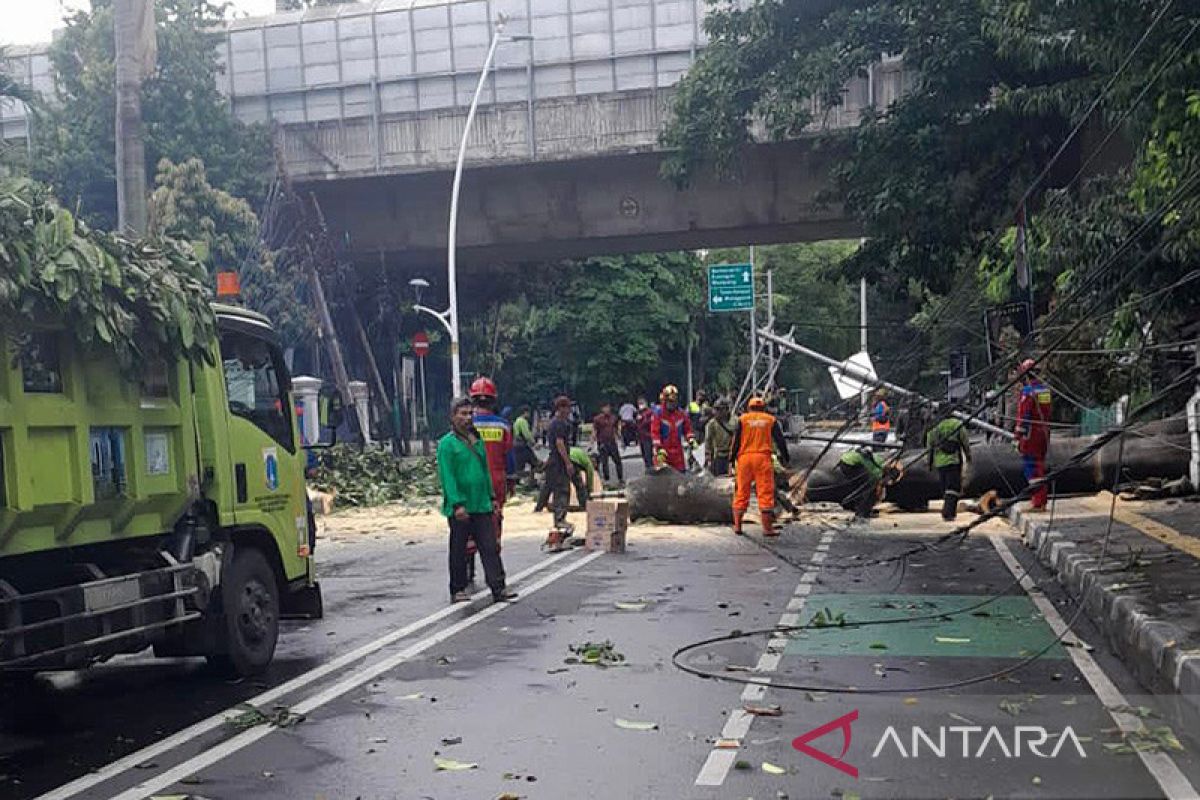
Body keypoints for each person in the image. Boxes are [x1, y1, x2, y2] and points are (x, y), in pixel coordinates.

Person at [436, 398, 516, 604]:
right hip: (461, 506)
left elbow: (484, 471)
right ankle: (458, 588)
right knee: (459, 548)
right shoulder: (447, 444)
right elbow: (448, 477)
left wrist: (492, 497)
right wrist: (456, 504)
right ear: (453, 417)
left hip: (481, 503)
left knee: (489, 546)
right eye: (462, 414)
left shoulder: (476, 440)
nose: (467, 418)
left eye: (470, 414)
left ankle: (499, 587)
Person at [730, 396, 790, 536]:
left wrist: (731, 459)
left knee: (741, 492)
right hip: (763, 459)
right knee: (765, 493)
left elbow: (736, 441)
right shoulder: (770, 420)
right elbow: (780, 440)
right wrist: (786, 457)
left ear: (749, 408)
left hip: (744, 459)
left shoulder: (742, 420)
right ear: (764, 408)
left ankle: (738, 526)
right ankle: (767, 529)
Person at [1015, 359, 1053, 511]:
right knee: (1039, 465)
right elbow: (1047, 411)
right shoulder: (1045, 391)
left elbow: (1024, 416)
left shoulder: (1027, 393)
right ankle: (1040, 499)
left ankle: (1038, 502)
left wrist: (1018, 436)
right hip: (1044, 432)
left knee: (1032, 467)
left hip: (1031, 434)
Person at [926, 411, 971, 521]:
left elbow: (929, 447)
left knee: (945, 487)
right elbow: (965, 442)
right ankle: (948, 512)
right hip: (953, 460)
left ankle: (948, 510)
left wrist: (929, 463)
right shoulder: (957, 424)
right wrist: (968, 456)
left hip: (940, 462)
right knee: (954, 488)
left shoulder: (934, 428)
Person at [544, 395, 576, 534]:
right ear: (561, 408)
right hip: (558, 462)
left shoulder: (555, 422)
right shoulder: (558, 424)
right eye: (568, 407)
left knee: (556, 489)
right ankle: (559, 518)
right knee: (562, 490)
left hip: (555, 461)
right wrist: (568, 463)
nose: (569, 410)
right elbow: (560, 443)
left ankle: (559, 517)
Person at [651, 384, 695, 472]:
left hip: (677, 451)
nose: (672, 404)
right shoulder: (658, 414)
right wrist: (659, 448)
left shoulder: (681, 414)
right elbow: (655, 433)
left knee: (680, 474)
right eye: (670, 401)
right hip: (663, 451)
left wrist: (691, 439)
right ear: (665, 401)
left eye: (674, 401)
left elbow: (687, 429)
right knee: (662, 477)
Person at [837, 444, 885, 519]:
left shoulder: (862, 454)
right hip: (849, 466)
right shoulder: (868, 459)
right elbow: (875, 473)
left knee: (861, 487)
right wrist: (879, 484)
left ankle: (859, 508)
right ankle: (862, 513)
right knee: (867, 488)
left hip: (844, 463)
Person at [592, 402, 623, 484]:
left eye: (608, 407)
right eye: (605, 408)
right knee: (604, 462)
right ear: (602, 409)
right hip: (602, 442)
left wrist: (620, 439)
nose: (607, 409)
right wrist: (592, 442)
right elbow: (595, 430)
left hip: (612, 442)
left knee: (618, 460)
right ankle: (607, 479)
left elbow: (616, 429)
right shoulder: (598, 419)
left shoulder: (613, 418)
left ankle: (620, 478)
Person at [704, 397, 735, 477]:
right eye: (716, 409)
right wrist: (708, 457)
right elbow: (708, 441)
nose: (717, 412)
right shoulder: (712, 424)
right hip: (718, 457)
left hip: (732, 457)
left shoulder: (735, 421)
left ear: (726, 410)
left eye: (720, 409)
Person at [512, 405, 541, 487]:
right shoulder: (522, 421)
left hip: (516, 445)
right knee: (534, 462)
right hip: (522, 446)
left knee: (519, 465)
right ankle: (531, 482)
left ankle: (517, 483)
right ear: (525, 412)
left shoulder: (516, 421)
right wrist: (534, 443)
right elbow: (527, 434)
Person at [635, 396, 656, 469]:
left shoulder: (649, 412)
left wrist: (642, 420)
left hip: (648, 436)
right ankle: (648, 468)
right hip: (641, 437)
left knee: (648, 454)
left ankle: (651, 468)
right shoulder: (639, 412)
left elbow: (651, 422)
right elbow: (637, 424)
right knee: (644, 455)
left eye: (642, 403)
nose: (640, 405)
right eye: (639, 403)